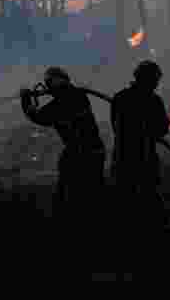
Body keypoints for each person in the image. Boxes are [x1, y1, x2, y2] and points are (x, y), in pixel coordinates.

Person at [20, 67, 106, 225]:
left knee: (71, 192)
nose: (47, 87)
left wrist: (25, 100)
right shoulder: (77, 96)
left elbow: (38, 116)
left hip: (79, 154)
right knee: (94, 190)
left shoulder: (64, 101)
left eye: (49, 83)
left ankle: (69, 223)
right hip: (94, 151)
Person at [110, 60, 170, 224]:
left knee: (124, 203)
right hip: (144, 159)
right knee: (149, 201)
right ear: (149, 79)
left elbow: (116, 128)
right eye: (155, 79)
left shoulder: (120, 98)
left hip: (123, 158)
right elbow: (162, 129)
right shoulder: (154, 101)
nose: (157, 83)